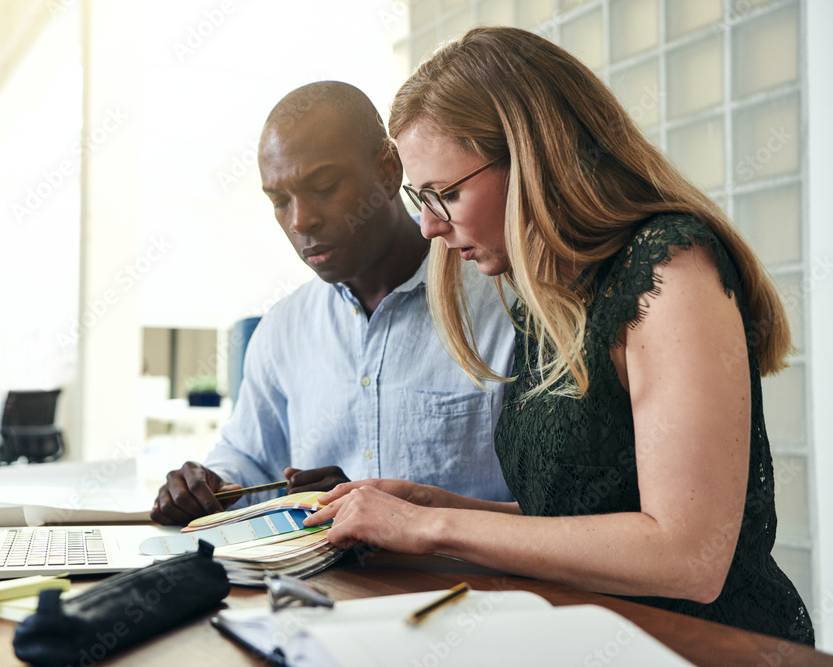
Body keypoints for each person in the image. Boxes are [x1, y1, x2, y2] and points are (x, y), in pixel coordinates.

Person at [304, 27, 814, 645]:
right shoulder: (553, 296)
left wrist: (430, 532)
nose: (428, 226)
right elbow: (587, 520)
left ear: (531, 160)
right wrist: (436, 506)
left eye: (445, 193)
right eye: (421, 197)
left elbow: (687, 557)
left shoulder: (669, 270)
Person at [150, 81, 516, 526]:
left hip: (477, 590)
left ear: (388, 170)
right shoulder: (284, 328)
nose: (301, 220)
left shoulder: (505, 299)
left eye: (322, 186)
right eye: (280, 201)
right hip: (324, 590)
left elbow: (555, 503)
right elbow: (247, 456)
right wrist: (209, 484)